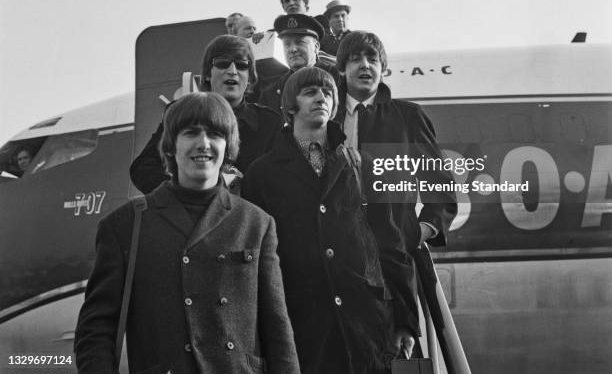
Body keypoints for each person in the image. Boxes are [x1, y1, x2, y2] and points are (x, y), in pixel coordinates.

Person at [75, 93, 299, 374]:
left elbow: (277, 328)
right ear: (170, 146)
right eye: (191, 133)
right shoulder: (124, 226)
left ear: (227, 146)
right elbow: (95, 330)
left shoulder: (257, 223)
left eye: (215, 134)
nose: (204, 144)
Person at [243, 68, 418, 374]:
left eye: (328, 93)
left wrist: (404, 319)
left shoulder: (364, 165)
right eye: (310, 92)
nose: (321, 97)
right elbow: (254, 258)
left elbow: (390, 243)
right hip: (302, 324)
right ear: (291, 105)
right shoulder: (262, 174)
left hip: (365, 323)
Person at [335, 31, 457, 254]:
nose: (365, 65)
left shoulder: (409, 116)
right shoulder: (328, 118)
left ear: (382, 70)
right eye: (355, 59)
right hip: (338, 254)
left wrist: (417, 234)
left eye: (373, 59)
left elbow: (440, 187)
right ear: (342, 69)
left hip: (394, 256)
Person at [130, 35, 280, 194]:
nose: (232, 71)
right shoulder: (182, 112)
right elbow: (143, 168)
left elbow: (279, 182)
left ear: (250, 77)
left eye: (242, 66)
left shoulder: (269, 123)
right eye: (223, 64)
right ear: (208, 73)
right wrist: (185, 193)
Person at [257, 14, 339, 114]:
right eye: (287, 44)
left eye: (300, 42)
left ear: (316, 47)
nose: (293, 49)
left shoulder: (336, 76)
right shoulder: (272, 92)